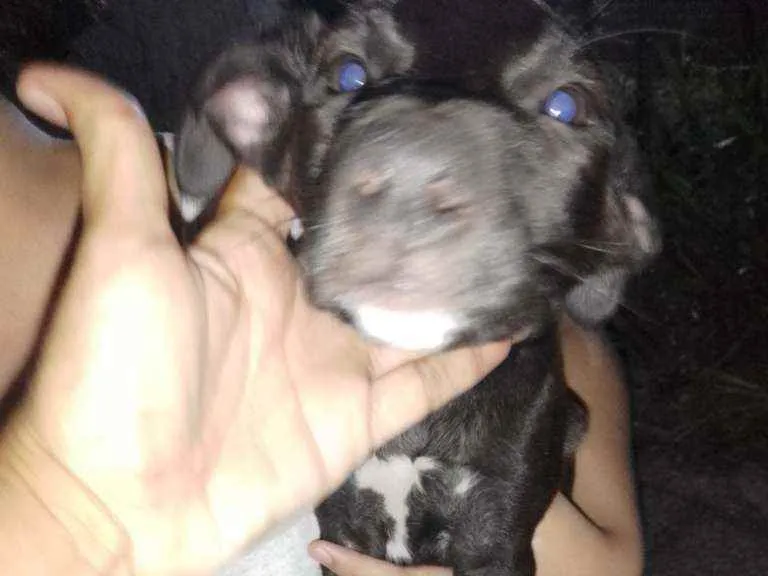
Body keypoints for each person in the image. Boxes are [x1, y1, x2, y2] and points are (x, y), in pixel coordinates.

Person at [0, 64, 643, 575]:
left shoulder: (243, 222)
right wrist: (74, 524)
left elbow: (608, 557)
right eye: (356, 74)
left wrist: (70, 524)